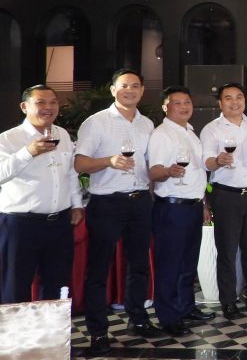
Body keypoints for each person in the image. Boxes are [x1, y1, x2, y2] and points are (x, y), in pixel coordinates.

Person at [75, 69, 160, 354]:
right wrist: (109, 161)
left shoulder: (147, 124)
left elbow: (149, 163)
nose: (130, 90)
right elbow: (79, 164)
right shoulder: (96, 122)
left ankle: (138, 318)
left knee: (139, 265)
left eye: (135, 86)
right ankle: (98, 332)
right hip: (107, 203)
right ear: (113, 90)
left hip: (140, 201)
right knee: (99, 269)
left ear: (142, 91)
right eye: (124, 86)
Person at [0, 85, 83, 304]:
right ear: (24, 107)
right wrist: (28, 152)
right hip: (20, 224)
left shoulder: (62, 134)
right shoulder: (8, 139)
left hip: (59, 223)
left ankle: (53, 328)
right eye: (40, 102)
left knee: (58, 286)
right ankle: (16, 329)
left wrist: (76, 204)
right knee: (15, 287)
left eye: (53, 102)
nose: (48, 107)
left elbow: (70, 172)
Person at [147, 86, 214, 337]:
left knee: (188, 263)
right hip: (172, 208)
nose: (184, 106)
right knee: (170, 265)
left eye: (187, 102)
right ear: (165, 107)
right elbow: (154, 171)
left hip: (192, 206)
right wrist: (168, 171)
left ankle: (186, 307)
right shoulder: (162, 134)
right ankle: (168, 317)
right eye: (177, 103)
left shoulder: (190, 133)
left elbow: (197, 173)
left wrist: (204, 204)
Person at [199, 83, 247, 320]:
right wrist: (218, 160)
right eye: (228, 98)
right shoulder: (211, 129)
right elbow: (206, 162)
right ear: (220, 103)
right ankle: (228, 301)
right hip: (226, 196)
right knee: (227, 250)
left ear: (245, 100)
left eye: (239, 97)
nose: (234, 102)